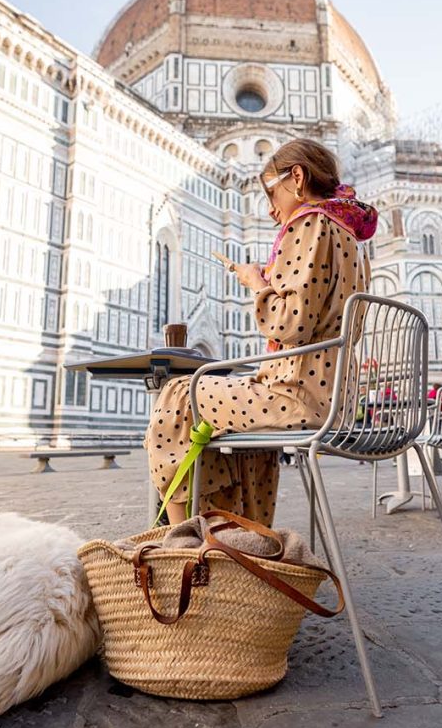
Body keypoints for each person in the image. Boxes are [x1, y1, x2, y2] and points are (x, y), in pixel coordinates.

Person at [146, 139, 376, 527]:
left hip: (299, 395)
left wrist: (256, 283)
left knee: (178, 393)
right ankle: (237, 533)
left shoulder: (308, 224)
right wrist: (272, 281)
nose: (271, 209)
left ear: (297, 178)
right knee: (228, 425)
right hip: (336, 395)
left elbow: (289, 324)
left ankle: (181, 536)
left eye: (272, 192)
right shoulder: (348, 234)